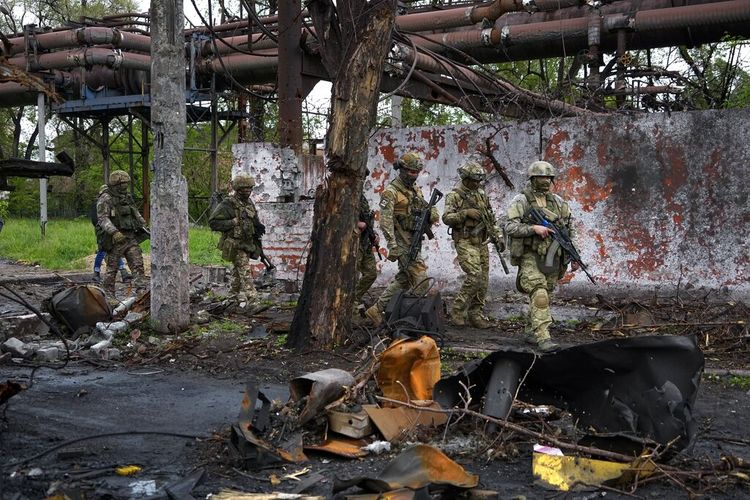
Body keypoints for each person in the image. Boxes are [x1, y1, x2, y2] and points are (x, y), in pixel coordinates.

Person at [505, 160, 579, 352]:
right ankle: (544, 338)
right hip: (531, 255)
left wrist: (574, 256)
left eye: (548, 177)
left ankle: (531, 332)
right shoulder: (521, 200)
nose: (545, 181)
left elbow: (571, 230)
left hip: (553, 256)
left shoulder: (559, 202)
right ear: (532, 178)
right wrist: (533, 228)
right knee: (539, 293)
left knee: (547, 290)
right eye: (540, 177)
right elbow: (509, 226)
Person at [365, 152, 439, 326]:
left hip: (414, 238)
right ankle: (415, 317)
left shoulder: (414, 189)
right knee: (421, 280)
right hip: (402, 243)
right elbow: (385, 221)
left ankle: (376, 309)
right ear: (402, 170)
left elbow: (424, 208)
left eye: (417, 172)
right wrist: (393, 246)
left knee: (404, 279)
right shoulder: (391, 192)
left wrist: (431, 213)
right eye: (411, 171)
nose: (414, 175)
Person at [442, 161, 499, 329]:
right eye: (473, 180)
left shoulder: (481, 194)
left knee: (483, 279)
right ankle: (458, 311)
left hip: (481, 240)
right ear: (465, 178)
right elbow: (446, 218)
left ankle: (476, 313)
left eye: (478, 181)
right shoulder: (455, 195)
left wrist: (498, 236)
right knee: (474, 275)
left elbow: (491, 217)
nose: (476, 184)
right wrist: (465, 213)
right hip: (465, 240)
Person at [208, 174, 265, 304]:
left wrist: (258, 227)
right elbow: (213, 222)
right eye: (246, 188)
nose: (248, 191)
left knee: (237, 273)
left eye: (250, 188)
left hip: (247, 242)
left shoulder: (249, 203)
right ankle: (253, 300)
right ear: (238, 189)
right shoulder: (228, 204)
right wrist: (231, 223)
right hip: (234, 243)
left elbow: (253, 220)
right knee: (244, 270)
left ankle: (232, 297)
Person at [96, 170, 148, 297]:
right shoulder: (105, 198)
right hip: (114, 240)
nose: (125, 186)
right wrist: (114, 232)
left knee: (137, 264)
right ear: (116, 185)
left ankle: (141, 292)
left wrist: (143, 224)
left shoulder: (127, 197)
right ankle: (109, 296)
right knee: (111, 269)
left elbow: (134, 211)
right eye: (122, 184)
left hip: (130, 237)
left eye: (126, 184)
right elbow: (102, 218)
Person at [91, 184, 130, 283]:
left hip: (112, 229)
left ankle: (123, 271)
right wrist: (105, 228)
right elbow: (97, 219)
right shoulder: (98, 203)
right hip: (103, 231)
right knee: (102, 250)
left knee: (115, 249)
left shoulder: (111, 202)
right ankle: (96, 273)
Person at [353, 193, 379, 313]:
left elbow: (367, 221)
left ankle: (354, 297)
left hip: (365, 242)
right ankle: (350, 302)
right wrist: (356, 223)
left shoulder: (361, 196)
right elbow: (335, 216)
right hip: (352, 242)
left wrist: (375, 236)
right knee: (352, 275)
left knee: (371, 273)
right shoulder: (344, 193)